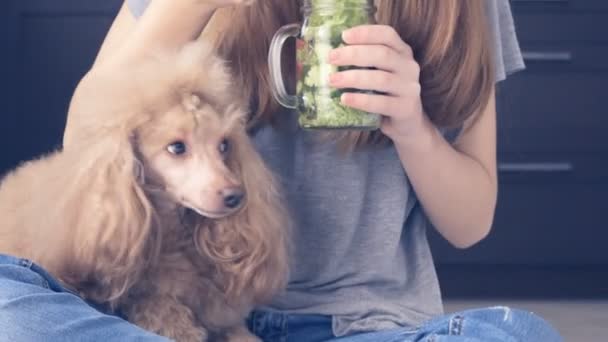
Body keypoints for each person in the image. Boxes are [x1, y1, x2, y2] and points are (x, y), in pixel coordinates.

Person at [0, 0, 562, 341]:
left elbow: (470, 222)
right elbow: (82, 141)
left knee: (519, 334)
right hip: (186, 321)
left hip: (364, 327)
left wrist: (412, 125)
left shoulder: (457, 9)